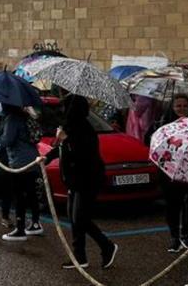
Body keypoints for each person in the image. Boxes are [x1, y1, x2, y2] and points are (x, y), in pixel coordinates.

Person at [45, 92, 118, 270]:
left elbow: (82, 154)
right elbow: (62, 149)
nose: (62, 110)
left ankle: (107, 245)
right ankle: (80, 257)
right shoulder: (69, 126)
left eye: (65, 107)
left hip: (87, 180)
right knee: (74, 218)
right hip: (73, 180)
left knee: (80, 218)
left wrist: (65, 140)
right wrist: (46, 157)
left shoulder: (85, 128)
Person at [160, 94, 188, 252]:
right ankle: (174, 237)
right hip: (169, 172)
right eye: (178, 106)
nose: (181, 109)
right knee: (173, 206)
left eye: (185, 106)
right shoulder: (163, 121)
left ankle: (186, 234)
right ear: (172, 107)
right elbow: (149, 139)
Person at [0, 103, 43, 241]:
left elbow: (7, 141)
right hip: (32, 159)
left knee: (19, 196)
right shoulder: (26, 116)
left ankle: (20, 228)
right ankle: (35, 223)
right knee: (31, 194)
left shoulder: (12, 119)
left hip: (19, 162)